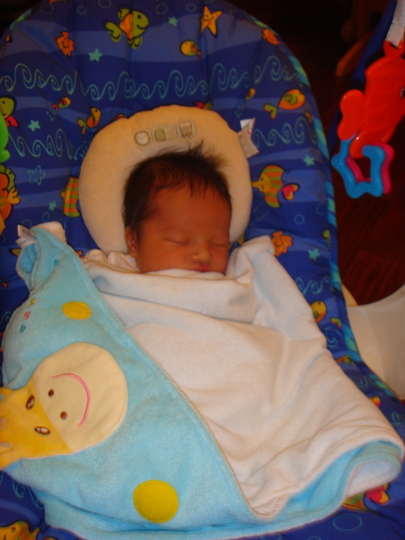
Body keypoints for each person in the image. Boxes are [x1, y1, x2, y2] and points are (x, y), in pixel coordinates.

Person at [122, 144, 232, 274]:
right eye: (180, 241)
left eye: (219, 244)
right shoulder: (115, 273)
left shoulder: (238, 273)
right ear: (133, 242)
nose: (204, 255)